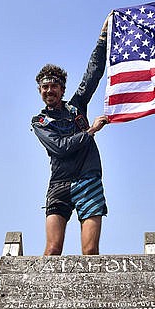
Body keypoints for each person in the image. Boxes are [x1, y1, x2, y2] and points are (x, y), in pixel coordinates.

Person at [31, 17, 109, 256]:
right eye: (45, 87)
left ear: (62, 90)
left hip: (88, 179)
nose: (49, 90)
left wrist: (103, 39)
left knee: (90, 251)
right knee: (53, 249)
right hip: (59, 184)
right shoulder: (39, 122)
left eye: (54, 86)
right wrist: (91, 131)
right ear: (40, 91)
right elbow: (61, 148)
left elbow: (92, 75)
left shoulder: (76, 107)